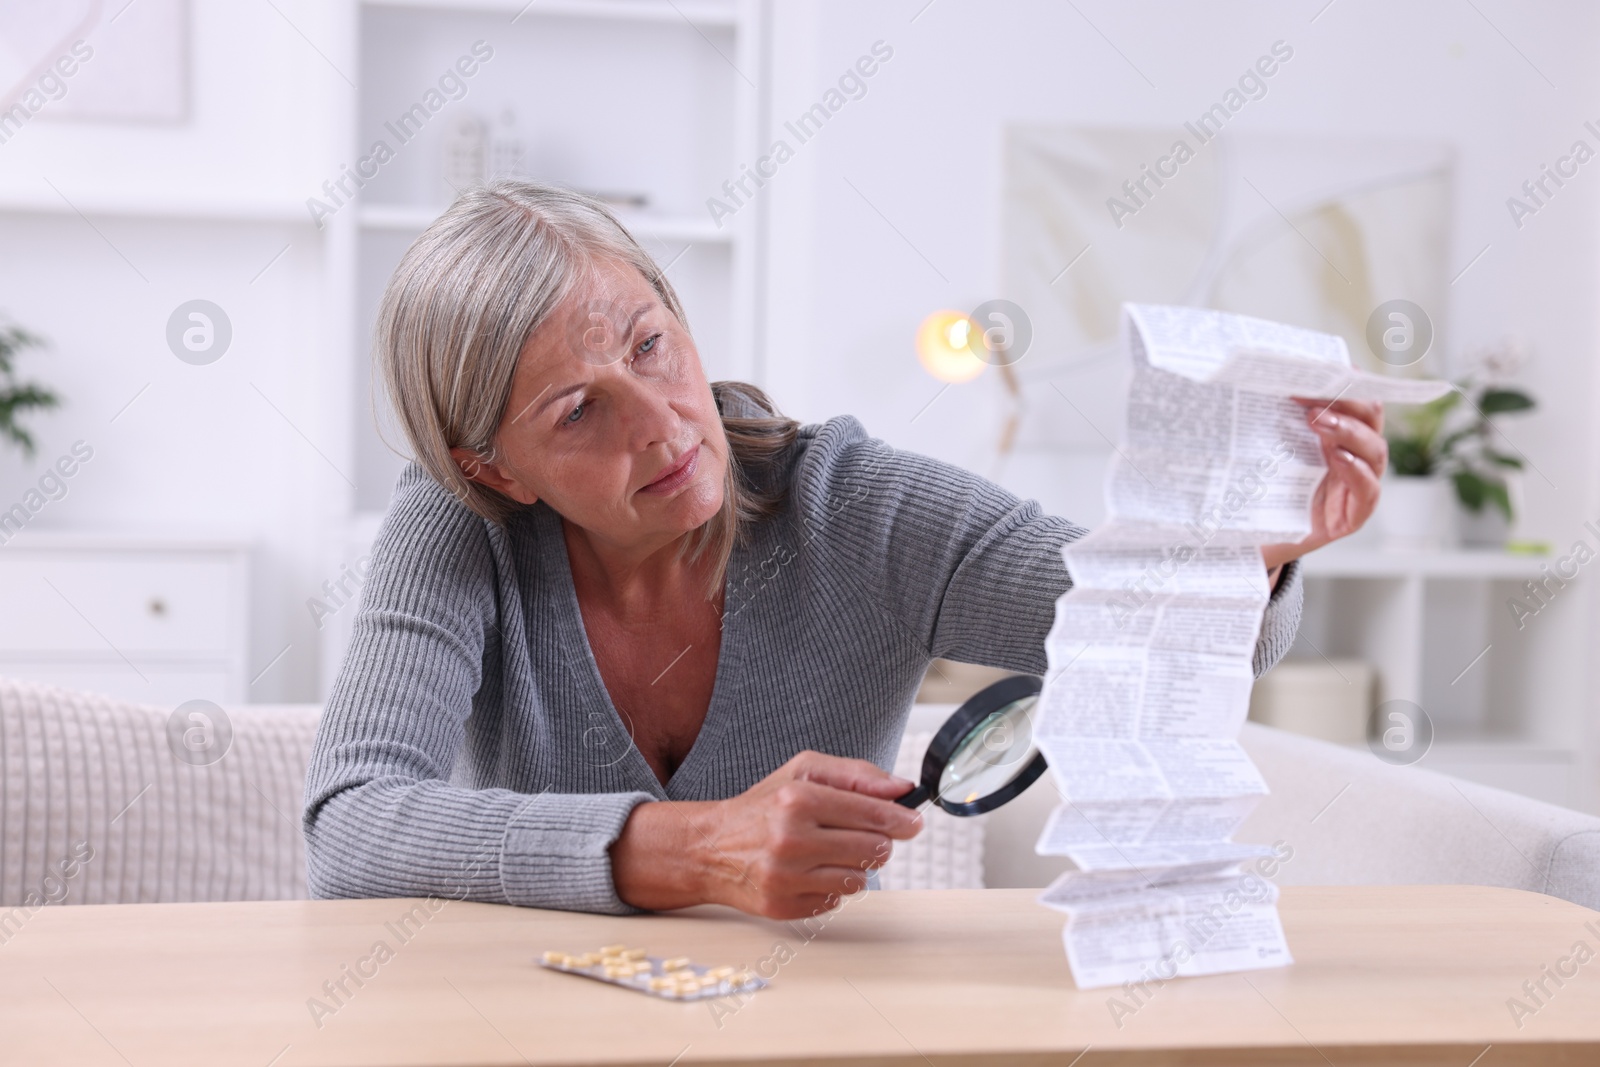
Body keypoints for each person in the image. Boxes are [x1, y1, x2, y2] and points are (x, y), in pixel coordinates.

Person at [301, 180, 1388, 920]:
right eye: (581, 408)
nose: (667, 424)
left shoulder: (855, 508)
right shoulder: (460, 527)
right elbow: (349, 828)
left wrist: (1255, 546)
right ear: (495, 467)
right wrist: (693, 848)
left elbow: (1167, 625)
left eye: (651, 344)